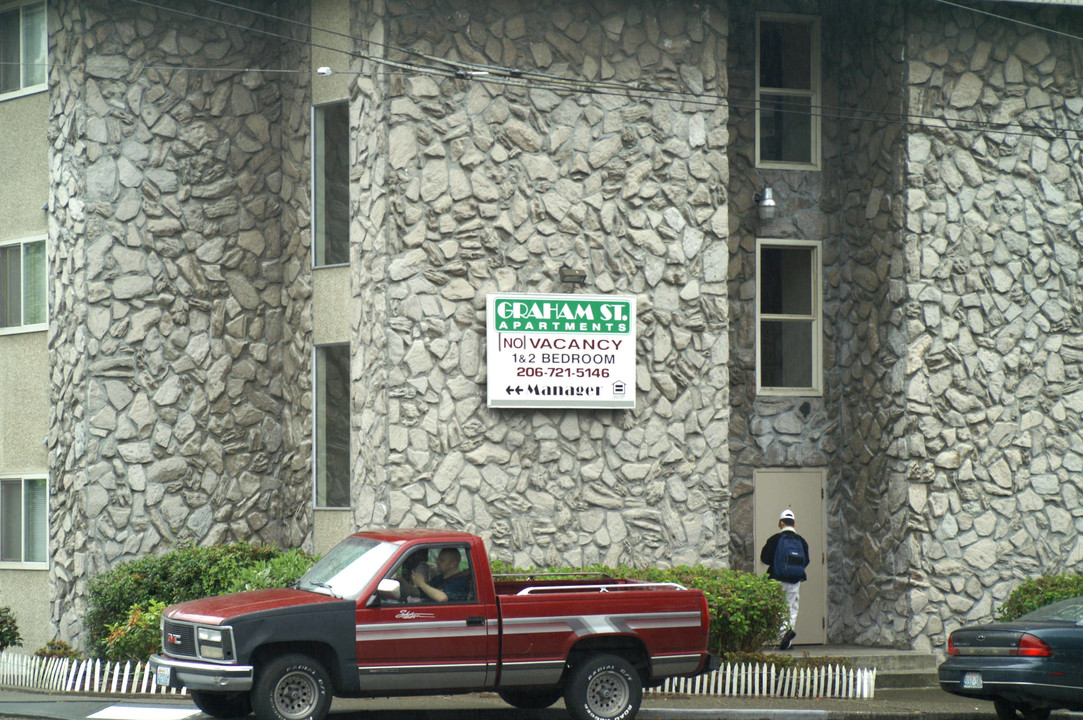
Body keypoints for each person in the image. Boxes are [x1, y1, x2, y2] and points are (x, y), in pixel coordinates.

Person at [760, 508, 810, 650]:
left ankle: (783, 636)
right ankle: (787, 639)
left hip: (776, 579)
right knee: (792, 608)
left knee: (779, 607)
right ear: (794, 524)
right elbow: (805, 561)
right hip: (795, 581)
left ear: (781, 523)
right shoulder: (802, 541)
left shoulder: (774, 540)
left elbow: (765, 558)